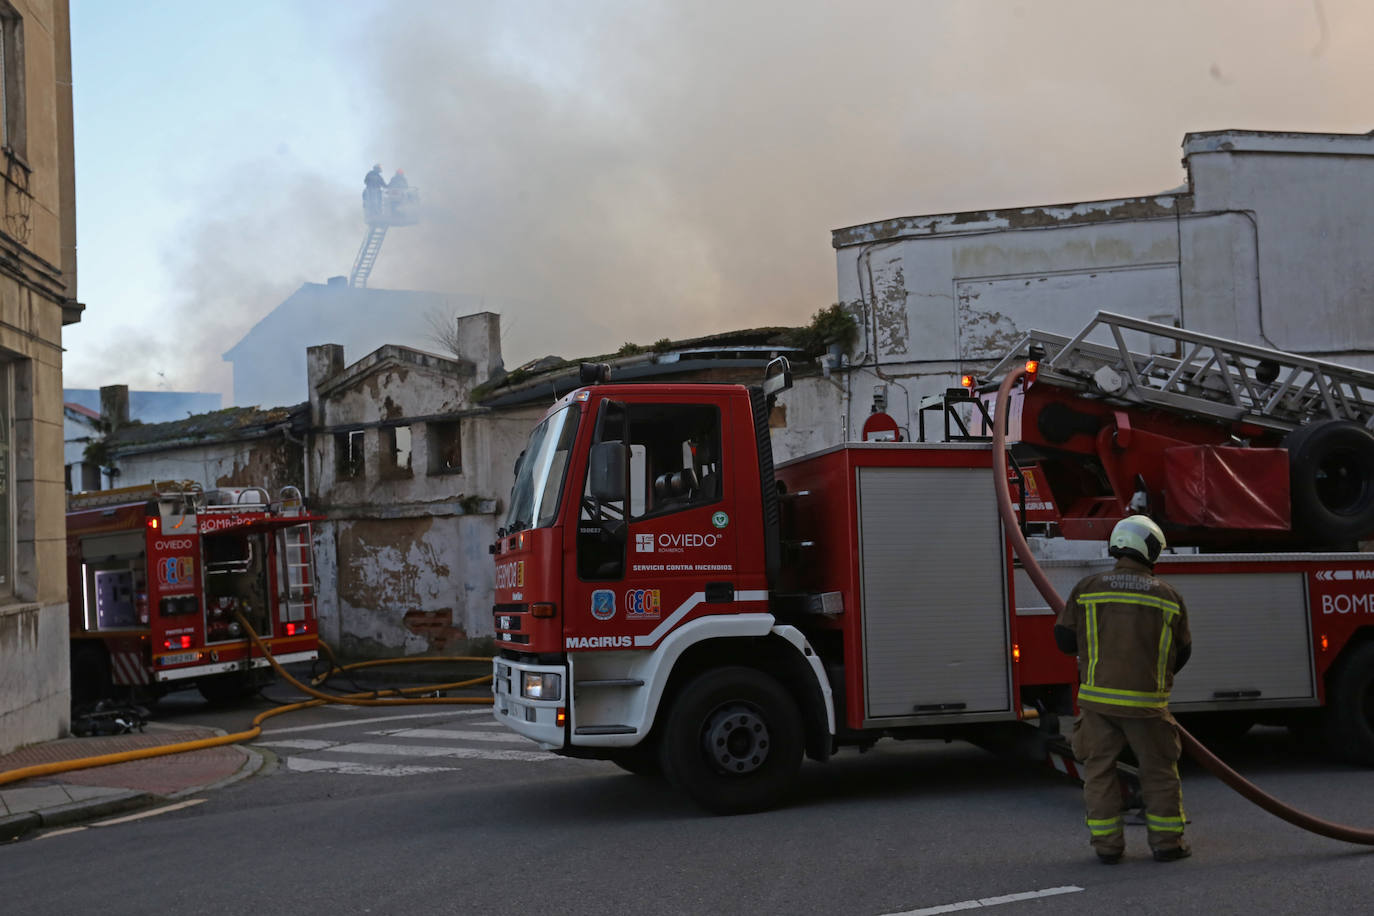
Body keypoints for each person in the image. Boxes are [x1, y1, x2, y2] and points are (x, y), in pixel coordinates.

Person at [1055, 515, 1193, 865]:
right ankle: (1167, 845)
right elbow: (1183, 652)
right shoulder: (1168, 596)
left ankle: (1107, 848)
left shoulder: (1088, 588)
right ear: (1149, 549)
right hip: (1148, 706)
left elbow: (1064, 641)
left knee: (1099, 773)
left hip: (1098, 703)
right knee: (1159, 772)